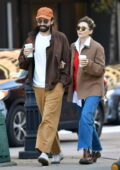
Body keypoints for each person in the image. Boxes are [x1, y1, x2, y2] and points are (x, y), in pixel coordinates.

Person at [18, 7, 71, 166]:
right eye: (39, 20)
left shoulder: (60, 38)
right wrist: (27, 55)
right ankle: (57, 152)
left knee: (48, 119)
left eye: (45, 20)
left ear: (52, 21)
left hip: (55, 84)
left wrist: (62, 81)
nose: (42, 23)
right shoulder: (30, 39)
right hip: (37, 85)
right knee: (50, 120)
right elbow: (22, 63)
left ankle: (43, 151)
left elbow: (67, 62)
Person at [68, 16, 105, 164]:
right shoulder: (72, 46)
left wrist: (88, 64)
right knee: (86, 121)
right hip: (78, 90)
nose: (80, 30)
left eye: (83, 28)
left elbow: (101, 70)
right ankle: (96, 149)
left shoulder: (97, 47)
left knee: (85, 118)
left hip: (93, 89)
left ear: (90, 31)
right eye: (78, 28)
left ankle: (86, 152)